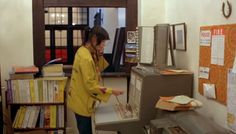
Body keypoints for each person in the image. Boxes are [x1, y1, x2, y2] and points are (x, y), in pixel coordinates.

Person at [67, 26, 124, 134]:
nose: (103, 45)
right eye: (102, 41)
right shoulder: (85, 58)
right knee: (85, 131)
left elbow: (98, 69)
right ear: (94, 39)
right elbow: (90, 86)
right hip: (81, 102)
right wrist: (112, 91)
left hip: (80, 99)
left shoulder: (86, 51)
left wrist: (99, 54)